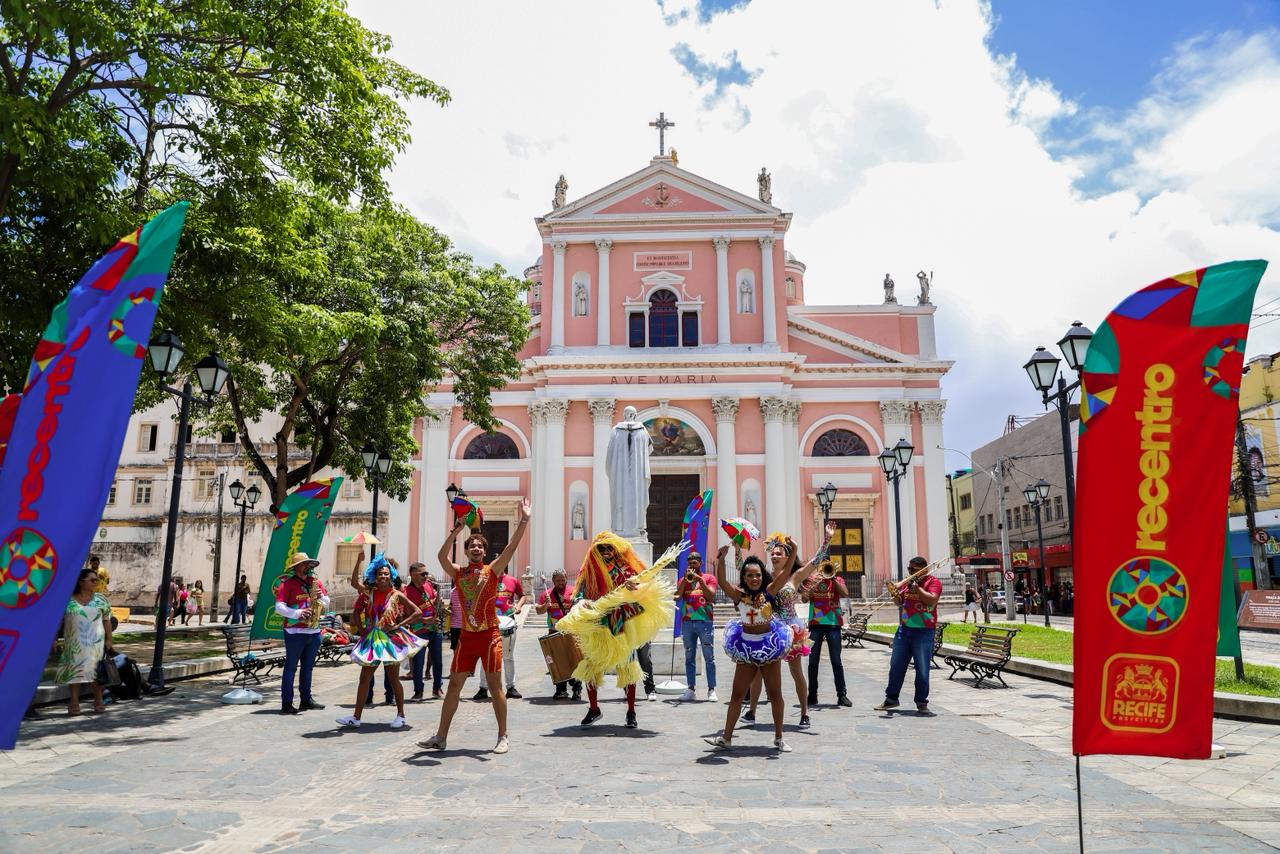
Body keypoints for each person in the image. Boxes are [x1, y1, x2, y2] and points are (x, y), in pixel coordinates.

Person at [418, 499, 531, 754]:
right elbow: (440, 557)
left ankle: (503, 736)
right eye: (473, 546)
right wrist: (457, 531)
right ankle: (441, 737)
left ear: (485, 551)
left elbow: (512, 547)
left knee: (495, 687)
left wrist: (524, 519)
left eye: (480, 545)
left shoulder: (493, 571)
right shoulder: (459, 573)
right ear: (467, 551)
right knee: (454, 686)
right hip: (467, 638)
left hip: (490, 636)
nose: (477, 548)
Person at [557, 532, 675, 729]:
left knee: (628, 667)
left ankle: (631, 711)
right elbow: (579, 594)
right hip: (597, 624)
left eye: (609, 548)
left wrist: (632, 587)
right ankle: (594, 709)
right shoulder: (589, 573)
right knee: (591, 667)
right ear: (595, 551)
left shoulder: (626, 570)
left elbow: (642, 589)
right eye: (601, 548)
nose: (605, 552)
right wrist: (583, 604)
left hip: (620, 623)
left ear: (615, 549)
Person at [745, 525, 835, 728]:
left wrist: (827, 539)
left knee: (796, 672)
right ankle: (751, 711)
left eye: (779, 553)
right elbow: (745, 574)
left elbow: (816, 562)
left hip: (791, 630)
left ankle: (804, 712)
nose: (775, 556)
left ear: (787, 557)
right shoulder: (765, 578)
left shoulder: (794, 577)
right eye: (773, 553)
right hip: (769, 629)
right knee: (758, 670)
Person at [704, 547, 792, 753]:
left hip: (769, 646)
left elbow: (787, 572)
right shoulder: (739, 595)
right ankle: (726, 737)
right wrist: (721, 560)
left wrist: (794, 549)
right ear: (744, 577)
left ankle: (779, 738)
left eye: (758, 575)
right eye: (750, 575)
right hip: (745, 646)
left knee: (775, 693)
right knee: (737, 695)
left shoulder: (770, 591)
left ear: (763, 576)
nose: (754, 579)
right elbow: (723, 583)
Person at [337, 554, 425, 729]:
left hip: (390, 641)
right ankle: (356, 717)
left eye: (386, 574)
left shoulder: (396, 594)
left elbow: (417, 612)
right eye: (380, 574)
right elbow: (354, 583)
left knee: (393, 679)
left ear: (390, 576)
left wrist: (399, 625)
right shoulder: (369, 592)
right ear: (374, 577)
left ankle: (400, 715)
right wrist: (358, 561)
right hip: (372, 641)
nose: (383, 576)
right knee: (364, 679)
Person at [875, 556, 944, 715]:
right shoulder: (907, 584)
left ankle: (921, 703)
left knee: (922, 669)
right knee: (896, 666)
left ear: (923, 569)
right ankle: (891, 699)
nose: (910, 572)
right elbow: (900, 602)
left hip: (923, 630)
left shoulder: (933, 582)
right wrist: (895, 593)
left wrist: (917, 588)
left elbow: (932, 601)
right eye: (909, 569)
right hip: (904, 629)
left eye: (913, 569)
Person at [273, 552, 330, 715]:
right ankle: (287, 703)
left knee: (308, 667)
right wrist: (298, 613)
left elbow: (327, 602)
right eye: (304, 564)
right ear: (296, 567)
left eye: (308, 564)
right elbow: (279, 607)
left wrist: (321, 598)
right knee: (291, 667)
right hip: (294, 631)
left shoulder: (315, 582)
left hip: (314, 630)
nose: (308, 566)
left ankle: (306, 700)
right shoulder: (288, 584)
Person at [57, 568, 115, 715]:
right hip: (74, 642)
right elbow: (57, 622)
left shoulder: (101, 600)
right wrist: (54, 639)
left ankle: (98, 699)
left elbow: (107, 621)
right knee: (74, 671)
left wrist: (109, 640)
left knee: (96, 671)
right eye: (93, 580)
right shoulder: (66, 599)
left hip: (96, 642)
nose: (96, 582)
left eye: (97, 580)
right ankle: (74, 700)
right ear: (81, 582)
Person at [801, 560, 851, 708]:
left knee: (836, 660)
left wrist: (833, 578)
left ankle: (842, 695)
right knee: (812, 662)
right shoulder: (812, 579)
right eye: (822, 566)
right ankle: (812, 695)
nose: (824, 569)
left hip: (833, 623)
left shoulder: (837, 579)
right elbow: (804, 598)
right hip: (815, 624)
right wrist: (815, 583)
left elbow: (845, 594)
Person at [475, 564, 527, 702]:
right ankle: (483, 688)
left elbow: (522, 596)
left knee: (508, 656)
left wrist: (518, 605)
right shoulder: (485, 580)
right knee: (486, 657)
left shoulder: (512, 580)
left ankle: (511, 687)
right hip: (489, 623)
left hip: (508, 621)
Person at [675, 551, 718, 702]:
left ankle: (711, 689)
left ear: (700, 563)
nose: (692, 566)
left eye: (695, 563)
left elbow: (711, 596)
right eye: (690, 563)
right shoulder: (684, 579)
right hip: (687, 622)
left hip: (704, 621)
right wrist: (685, 583)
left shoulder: (709, 578)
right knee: (689, 656)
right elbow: (677, 597)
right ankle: (691, 689)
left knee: (709, 656)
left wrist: (701, 580)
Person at [535, 570, 581, 700]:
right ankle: (561, 689)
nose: (560, 583)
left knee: (575, 661)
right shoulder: (547, 594)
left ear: (566, 578)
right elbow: (539, 611)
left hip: (572, 632)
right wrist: (546, 605)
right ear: (553, 581)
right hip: (554, 633)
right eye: (558, 581)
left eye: (562, 580)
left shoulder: (574, 591)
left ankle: (577, 689)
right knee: (557, 662)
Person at [405, 562, 445, 701]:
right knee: (418, 663)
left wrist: (437, 601)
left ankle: (437, 688)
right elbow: (406, 617)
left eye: (426, 573)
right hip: (418, 631)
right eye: (422, 574)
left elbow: (432, 599)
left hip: (434, 628)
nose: (426, 576)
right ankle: (418, 691)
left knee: (438, 661)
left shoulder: (428, 585)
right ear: (412, 574)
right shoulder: (406, 593)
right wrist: (425, 620)